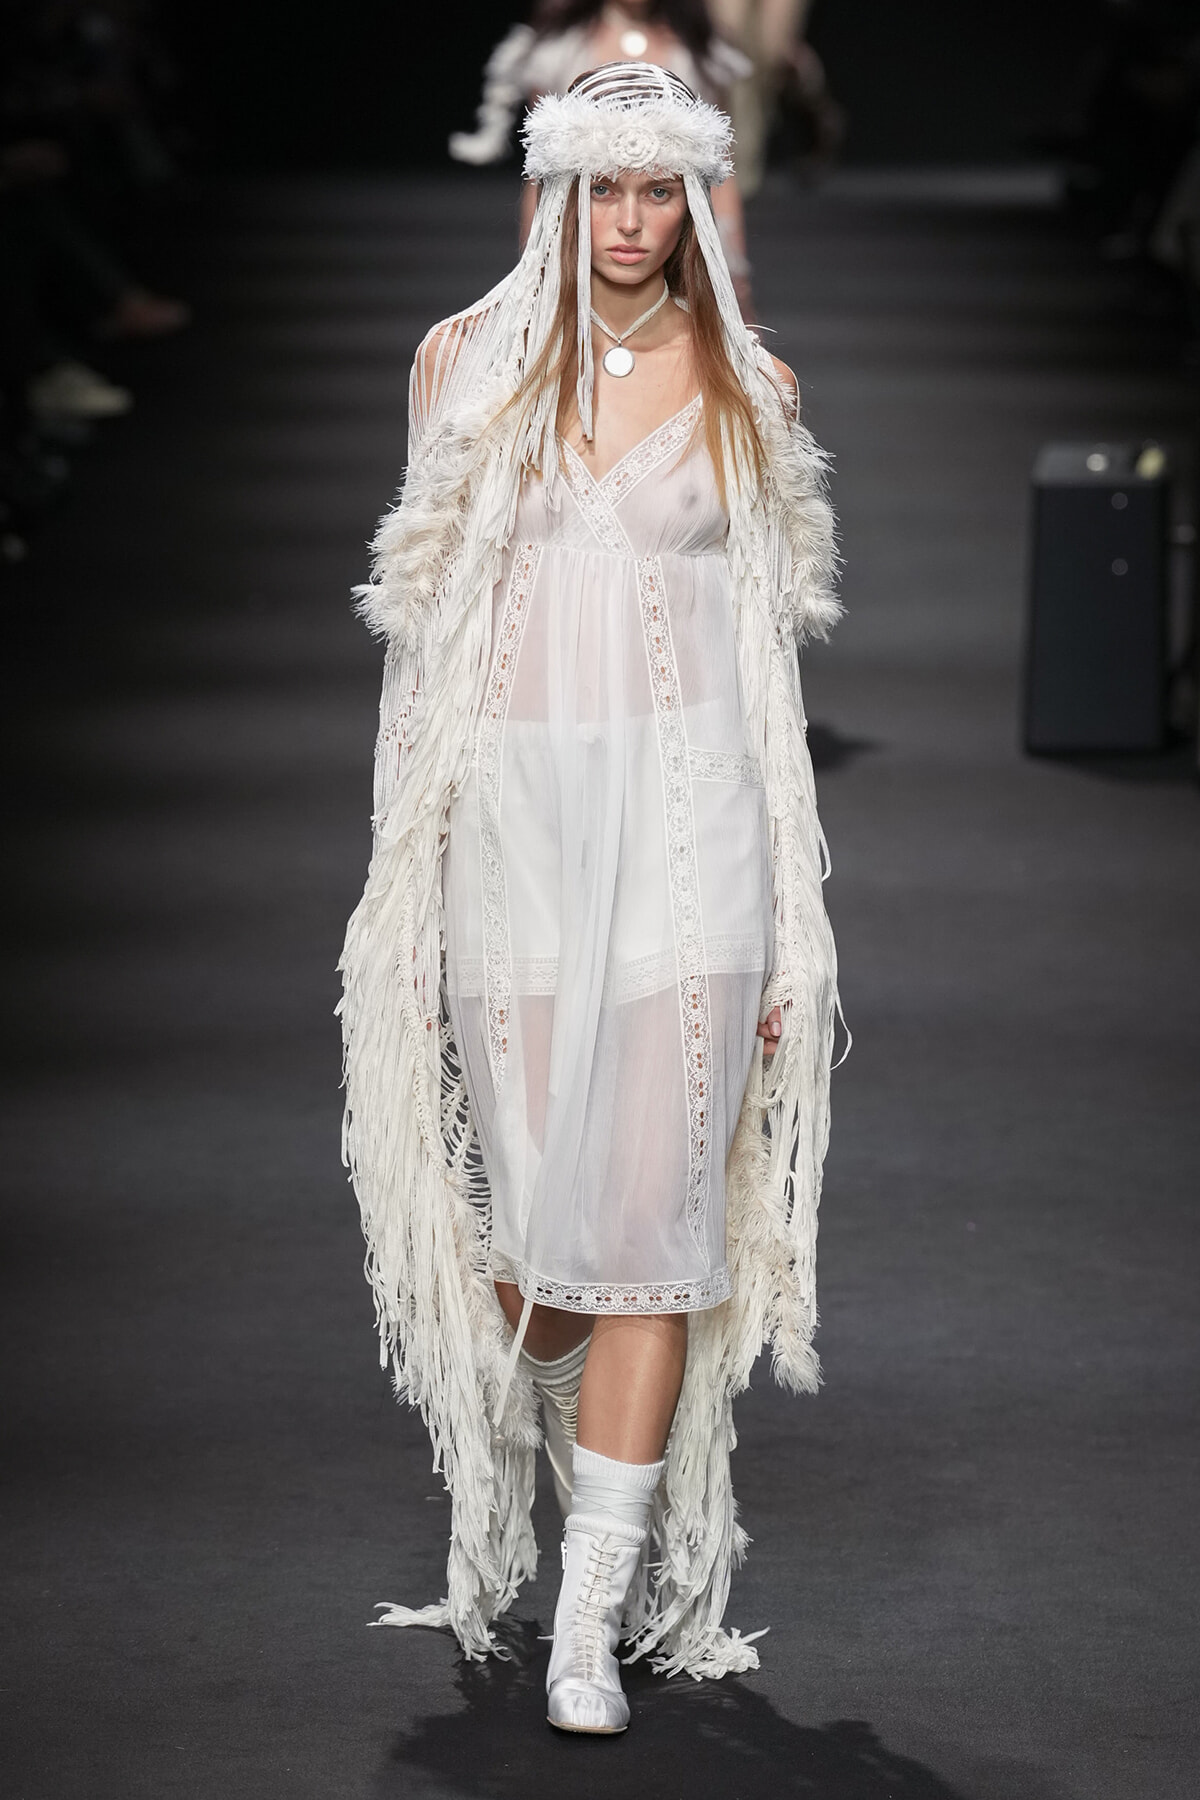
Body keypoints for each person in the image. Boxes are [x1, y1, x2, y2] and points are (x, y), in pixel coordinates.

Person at [340, 63, 841, 1734]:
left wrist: (797, 922)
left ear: (697, 201)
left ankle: (590, 1614)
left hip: (692, 835)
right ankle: (558, 1448)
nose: (630, 221)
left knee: (657, 1235)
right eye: (603, 188)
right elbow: (422, 644)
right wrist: (399, 883)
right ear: (557, 193)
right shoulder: (460, 369)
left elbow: (767, 672)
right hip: (518, 844)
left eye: (656, 190)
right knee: (547, 1253)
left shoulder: (747, 383)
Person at [450, 2, 756, 314]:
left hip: (673, 236)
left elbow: (719, 166)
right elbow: (542, 168)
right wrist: (537, 258)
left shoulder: (699, 47)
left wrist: (732, 266)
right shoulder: (562, 47)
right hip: (586, 231)